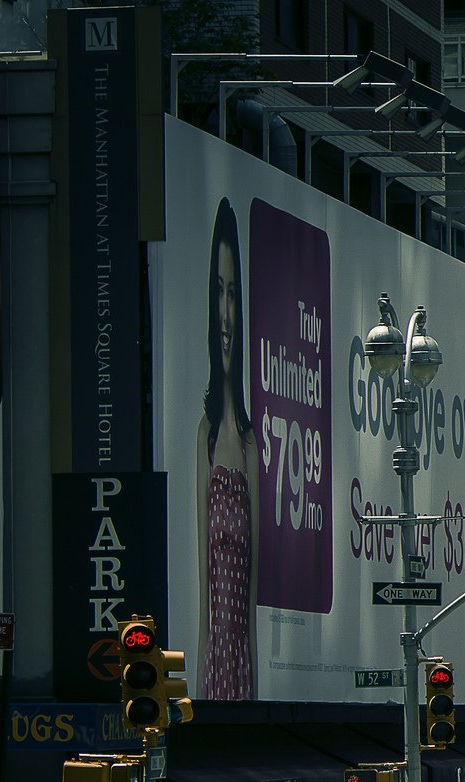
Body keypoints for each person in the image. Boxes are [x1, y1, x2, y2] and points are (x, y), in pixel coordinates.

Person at [195, 197, 257, 701]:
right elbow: (201, 578)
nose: (225, 311)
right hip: (214, 658)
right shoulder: (207, 435)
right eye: (218, 291)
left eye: (233, 293)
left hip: (241, 658)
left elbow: (253, 589)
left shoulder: (252, 441)